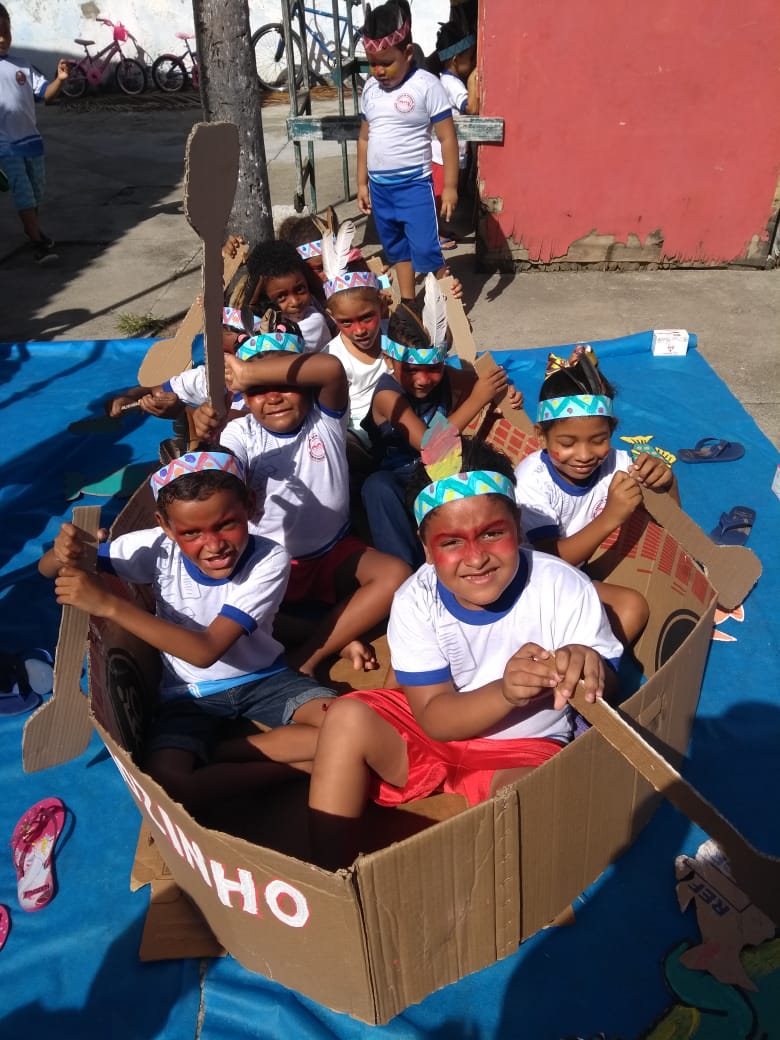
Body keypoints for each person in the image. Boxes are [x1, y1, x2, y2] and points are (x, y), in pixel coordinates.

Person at [307, 437, 623, 869]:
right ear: (425, 548)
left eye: (492, 534)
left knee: (535, 804)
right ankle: (330, 875)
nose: (475, 558)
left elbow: (605, 686)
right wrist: (505, 693)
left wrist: (588, 665)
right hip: (433, 736)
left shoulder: (563, 586)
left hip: (523, 748)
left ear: (517, 526)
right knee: (346, 716)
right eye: (451, 542)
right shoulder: (415, 599)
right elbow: (434, 718)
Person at [38, 450, 336, 811]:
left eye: (226, 524)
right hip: (188, 695)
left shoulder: (269, 558)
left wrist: (108, 605)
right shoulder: (156, 547)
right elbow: (46, 569)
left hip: (265, 678)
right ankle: (298, 768)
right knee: (169, 783)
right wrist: (64, 552)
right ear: (165, 526)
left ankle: (224, 752)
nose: (214, 545)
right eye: (191, 532)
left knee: (347, 725)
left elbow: (205, 651)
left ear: (249, 506)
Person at [191, 333, 412, 678]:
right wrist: (203, 440)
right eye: (258, 390)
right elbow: (216, 476)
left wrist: (248, 374)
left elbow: (331, 369)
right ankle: (333, 637)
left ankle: (309, 654)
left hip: (333, 552)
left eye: (285, 385)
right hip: (267, 562)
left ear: (307, 388)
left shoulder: (324, 418)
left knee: (395, 576)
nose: (273, 397)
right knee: (222, 606)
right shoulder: (240, 432)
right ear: (245, 399)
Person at [513, 345, 680, 644]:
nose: (584, 455)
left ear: (612, 431)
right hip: (535, 582)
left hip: (583, 573)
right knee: (629, 607)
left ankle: (587, 660)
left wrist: (665, 484)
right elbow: (551, 559)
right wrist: (610, 517)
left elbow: (669, 528)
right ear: (541, 436)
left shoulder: (620, 464)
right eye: (567, 443)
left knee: (638, 607)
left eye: (598, 440)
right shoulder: (531, 481)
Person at [360, 277, 522, 567]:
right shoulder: (387, 395)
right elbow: (430, 446)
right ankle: (404, 567)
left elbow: (487, 384)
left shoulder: (446, 376)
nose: (424, 379)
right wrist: (478, 399)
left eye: (433, 368)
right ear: (388, 360)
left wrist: (507, 395)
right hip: (401, 478)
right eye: (412, 370)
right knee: (376, 487)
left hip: (445, 470)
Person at [358, 0, 460, 305]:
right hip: (380, 190)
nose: (378, 71)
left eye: (386, 62)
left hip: (414, 187)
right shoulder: (370, 90)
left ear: (408, 53)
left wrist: (451, 186)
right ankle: (409, 304)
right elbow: (364, 138)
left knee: (426, 249)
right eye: (372, 63)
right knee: (397, 249)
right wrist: (361, 182)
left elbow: (447, 138)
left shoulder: (427, 85)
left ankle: (449, 300)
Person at [0, 3, 69, 264]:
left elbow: (45, 94)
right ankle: (37, 241)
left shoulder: (23, 65)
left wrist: (60, 80)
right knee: (24, 193)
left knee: (36, 191)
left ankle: (32, 230)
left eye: (6, 31)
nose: (2, 38)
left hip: (32, 142)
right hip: (6, 145)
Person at [320, 219, 390, 471]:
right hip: (360, 437)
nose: (359, 330)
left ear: (381, 306)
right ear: (332, 318)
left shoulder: (394, 332)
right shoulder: (332, 357)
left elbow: (439, 342)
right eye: (346, 322)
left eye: (367, 318)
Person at [430, 19, 479, 250]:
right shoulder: (451, 83)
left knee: (441, 196)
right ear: (456, 59)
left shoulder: (448, 80)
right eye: (471, 58)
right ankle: (433, 236)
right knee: (438, 197)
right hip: (442, 156)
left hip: (445, 154)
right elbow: (471, 107)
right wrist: (475, 78)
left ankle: (438, 230)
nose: (474, 62)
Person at [243, 239, 333, 353]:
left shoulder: (314, 321)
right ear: (265, 298)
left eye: (300, 289)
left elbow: (269, 354)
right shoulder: (267, 320)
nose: (295, 302)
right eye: (281, 297)